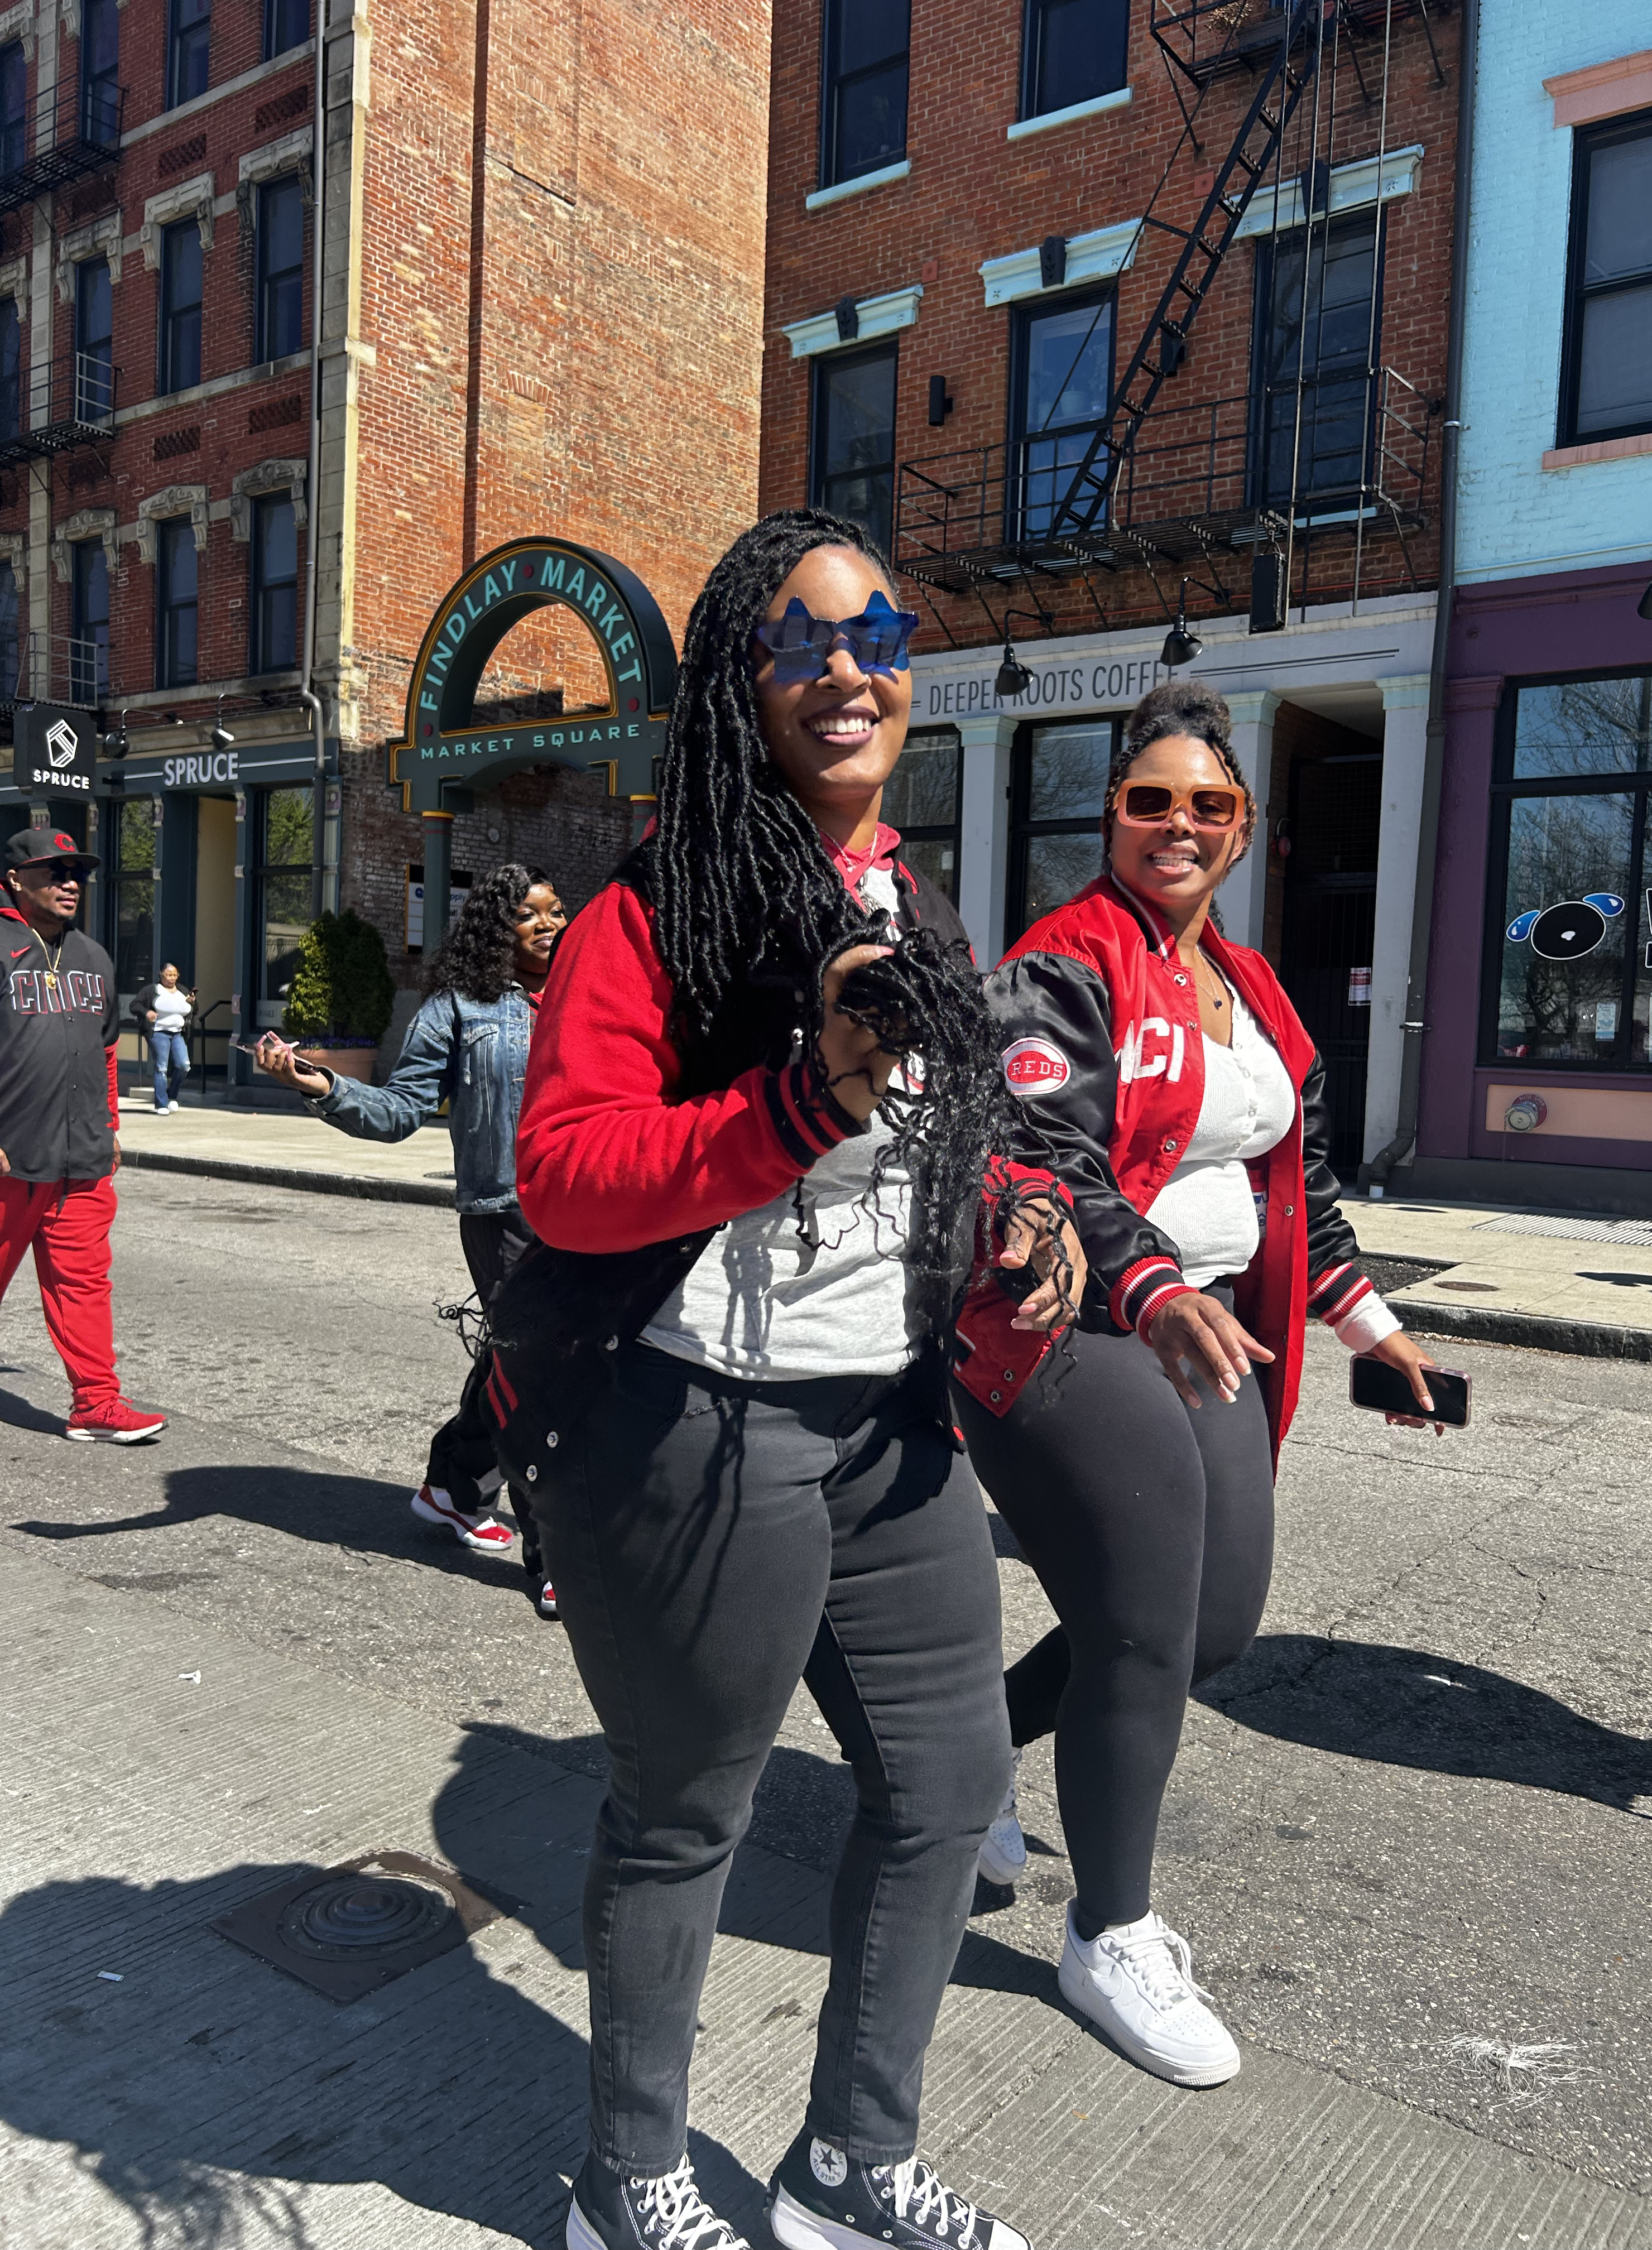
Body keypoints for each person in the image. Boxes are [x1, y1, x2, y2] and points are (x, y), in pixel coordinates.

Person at [485, 509, 1074, 2250]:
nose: (846, 671)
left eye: (878, 638)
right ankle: (632, 2178)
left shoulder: (921, 901)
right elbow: (570, 1172)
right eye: (802, 641)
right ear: (744, 679)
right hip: (701, 1423)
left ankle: (850, 2167)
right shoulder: (649, 907)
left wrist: (1027, 1222)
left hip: (889, 1424)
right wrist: (798, 1098)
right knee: (687, 1819)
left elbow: (972, 1139)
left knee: (947, 1790)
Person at [952, 679, 1445, 2092]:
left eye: (1207, 806)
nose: (1177, 825)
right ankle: (1109, 1932)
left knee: (1214, 1627)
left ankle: (974, 1754)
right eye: (1149, 800)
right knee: (1145, 1625)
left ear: (1244, 831)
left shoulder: (1263, 991)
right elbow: (1046, 1161)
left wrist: (1377, 1334)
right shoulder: (1061, 965)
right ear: (1111, 814)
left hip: (1218, 1326)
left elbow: (1304, 1196)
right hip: (1073, 1329)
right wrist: (1153, 1285)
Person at [254, 864, 564, 1610]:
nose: (550, 924)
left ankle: (456, 1485)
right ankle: (554, 1556)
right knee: (545, 1379)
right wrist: (321, 1085)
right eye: (531, 914)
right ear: (497, 926)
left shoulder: (591, 990)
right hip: (505, 1214)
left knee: (527, 1360)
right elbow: (400, 1110)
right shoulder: (460, 1008)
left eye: (557, 910)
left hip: (589, 1204)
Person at [0, 826, 166, 1443]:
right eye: (56, 871)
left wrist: (113, 1124)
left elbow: (105, 1053)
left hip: (83, 1156)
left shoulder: (92, 956)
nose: (72, 883)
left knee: (84, 1282)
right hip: (10, 1156)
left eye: (80, 874)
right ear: (16, 878)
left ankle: (96, 1404)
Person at [132, 963, 195, 1113]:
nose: (172, 978)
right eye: (168, 975)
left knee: (184, 1065)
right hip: (159, 1033)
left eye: (175, 975)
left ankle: (171, 1095)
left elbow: (192, 1011)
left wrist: (193, 1003)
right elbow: (135, 1005)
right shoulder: (152, 991)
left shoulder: (183, 991)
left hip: (178, 1033)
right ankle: (161, 1104)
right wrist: (147, 1013)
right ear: (161, 975)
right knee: (161, 1068)